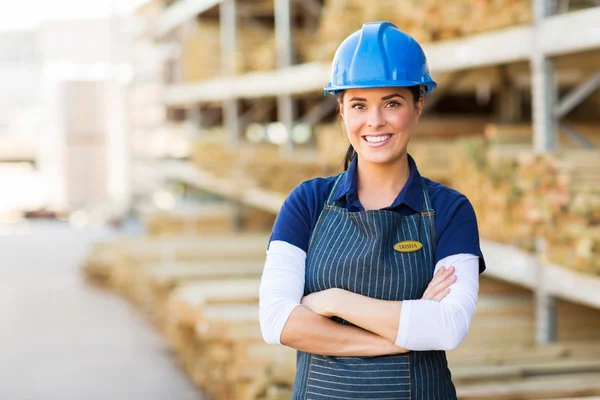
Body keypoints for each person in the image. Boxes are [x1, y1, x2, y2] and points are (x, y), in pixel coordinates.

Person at [259, 21, 486, 399]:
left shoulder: (451, 211)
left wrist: (333, 301)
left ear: (418, 106)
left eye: (392, 103)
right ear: (342, 111)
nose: (374, 121)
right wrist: (402, 337)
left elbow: (447, 326)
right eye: (359, 105)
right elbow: (276, 321)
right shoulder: (307, 203)